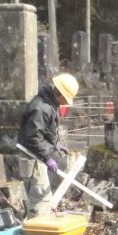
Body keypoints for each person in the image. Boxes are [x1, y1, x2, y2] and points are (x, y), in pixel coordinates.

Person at [18, 72, 78, 217]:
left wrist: (55, 143)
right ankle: (36, 232)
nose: (65, 102)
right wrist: (47, 156)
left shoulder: (49, 105)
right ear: (60, 93)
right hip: (32, 158)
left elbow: (44, 131)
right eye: (66, 98)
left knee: (42, 198)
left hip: (37, 157)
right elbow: (32, 136)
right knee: (40, 200)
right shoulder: (40, 107)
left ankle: (37, 227)